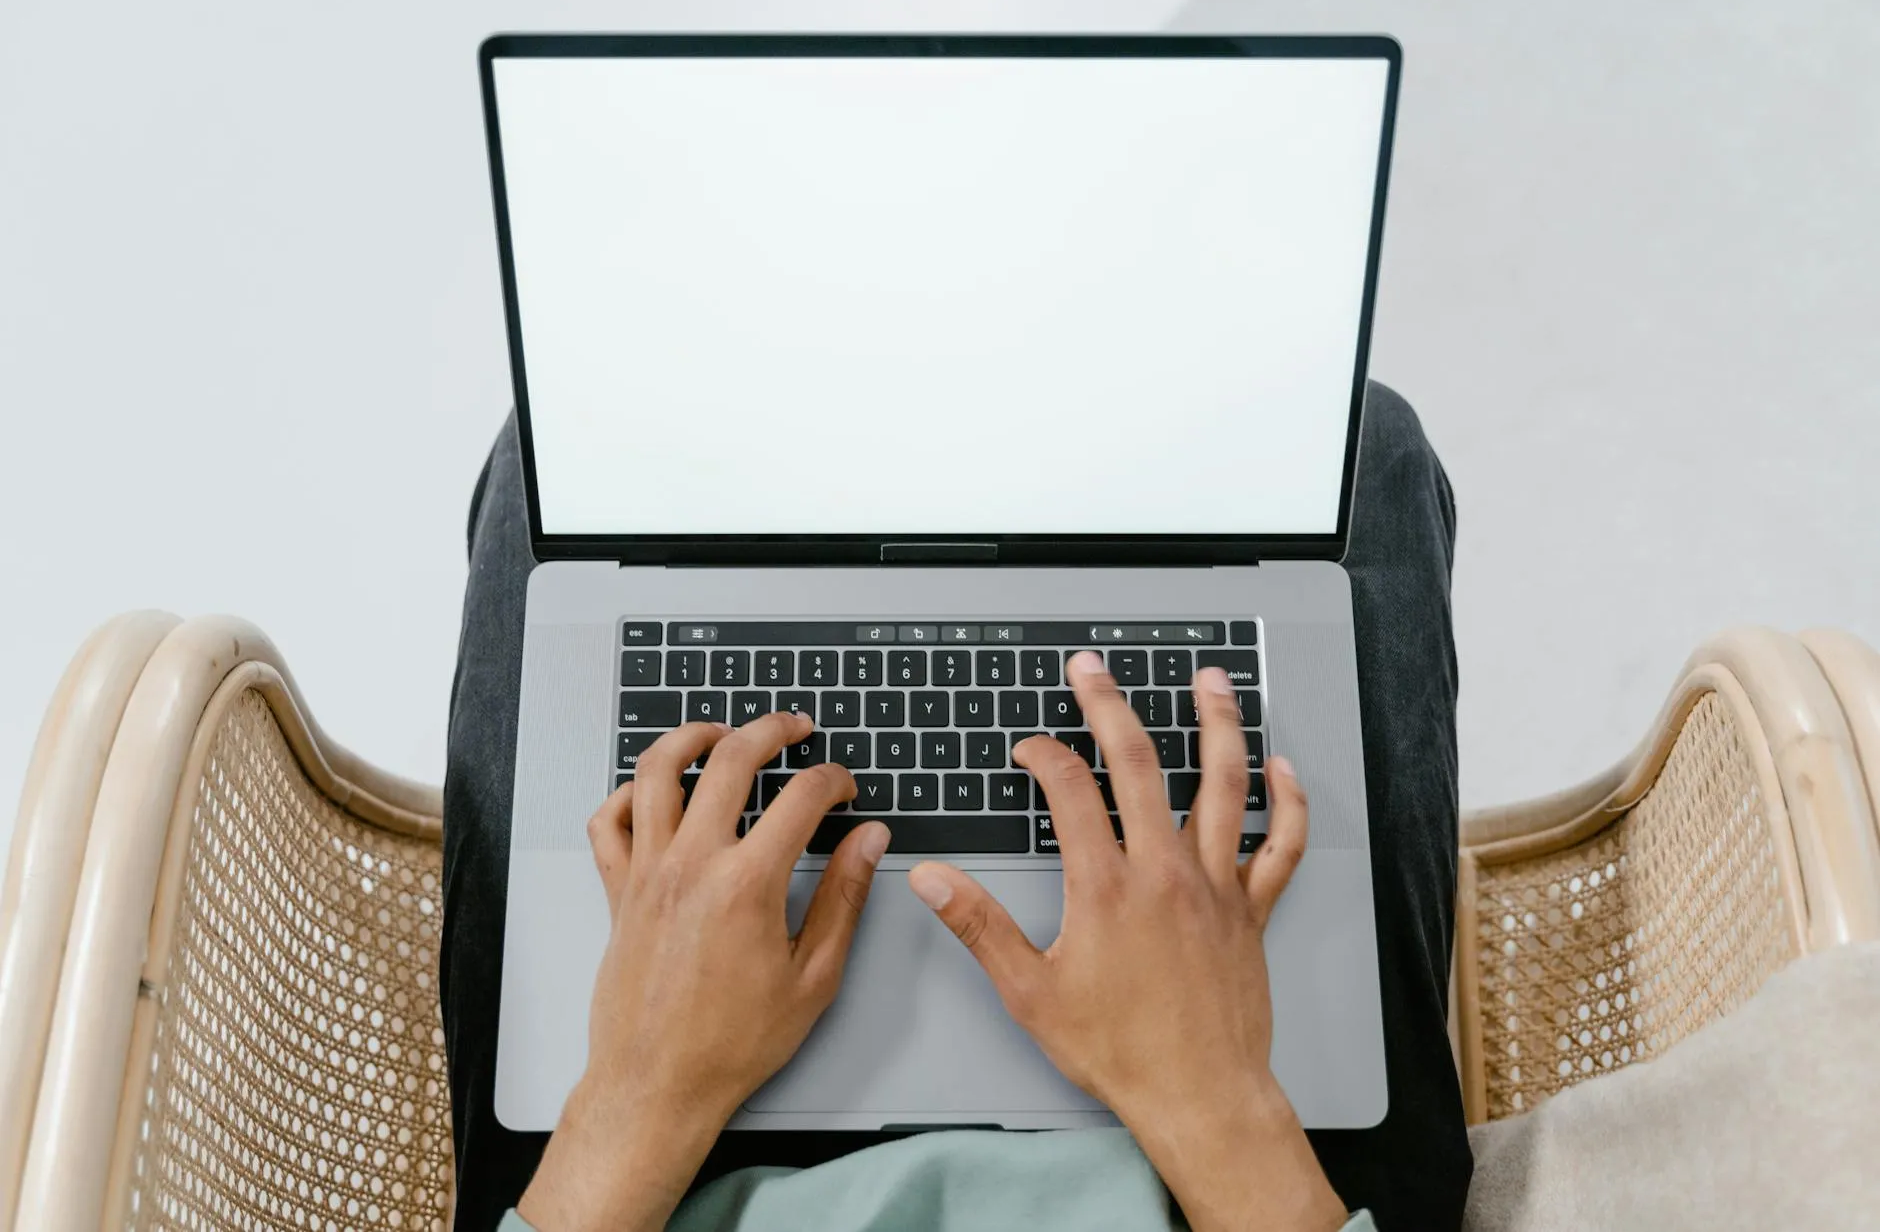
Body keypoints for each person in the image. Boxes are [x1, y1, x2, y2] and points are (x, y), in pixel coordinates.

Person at [441, 383, 1472, 1230]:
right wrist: (1211, 1096)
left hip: (651, 1178)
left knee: (552, 460)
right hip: (1228, 1177)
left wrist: (640, 1090)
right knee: (1361, 445)